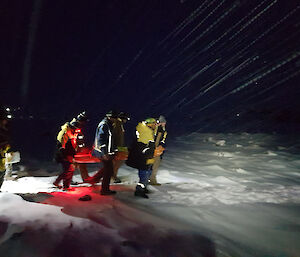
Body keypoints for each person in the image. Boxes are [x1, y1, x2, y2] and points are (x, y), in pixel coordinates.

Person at [53, 112, 87, 190]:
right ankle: (65, 186)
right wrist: (65, 156)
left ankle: (57, 182)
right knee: (68, 170)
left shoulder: (72, 132)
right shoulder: (65, 133)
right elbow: (61, 145)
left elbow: (72, 144)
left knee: (68, 170)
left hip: (68, 154)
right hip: (64, 155)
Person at [88, 110, 118, 195]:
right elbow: (101, 140)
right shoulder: (104, 125)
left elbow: (111, 140)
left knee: (108, 169)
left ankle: (94, 180)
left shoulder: (109, 124)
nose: (115, 119)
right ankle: (104, 190)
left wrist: (114, 150)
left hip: (106, 152)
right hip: (103, 153)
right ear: (109, 117)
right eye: (114, 118)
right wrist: (104, 153)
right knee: (108, 171)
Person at [126, 118, 158, 199]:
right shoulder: (144, 132)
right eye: (154, 123)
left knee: (148, 172)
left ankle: (144, 187)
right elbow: (142, 146)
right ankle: (139, 190)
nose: (155, 125)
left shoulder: (148, 131)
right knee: (144, 174)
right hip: (143, 158)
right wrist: (147, 151)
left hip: (148, 157)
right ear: (149, 124)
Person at [111, 111, 130, 183]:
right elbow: (115, 136)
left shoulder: (119, 124)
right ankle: (113, 176)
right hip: (116, 147)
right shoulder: (117, 124)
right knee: (116, 162)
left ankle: (113, 175)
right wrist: (115, 147)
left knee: (119, 160)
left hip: (119, 146)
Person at [150, 115, 167, 185]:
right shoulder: (160, 129)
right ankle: (152, 180)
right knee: (155, 165)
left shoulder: (155, 128)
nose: (165, 124)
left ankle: (149, 179)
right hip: (156, 151)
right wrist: (155, 149)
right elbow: (157, 140)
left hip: (154, 150)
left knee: (151, 165)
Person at [0, 107, 11, 191]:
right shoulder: (2, 130)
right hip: (1, 156)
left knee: (2, 173)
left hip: (2, 156)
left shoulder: (4, 129)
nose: (6, 121)